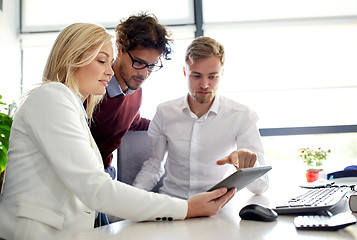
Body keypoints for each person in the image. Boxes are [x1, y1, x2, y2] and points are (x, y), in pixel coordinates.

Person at [0, 24, 235, 240]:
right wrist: (186, 208)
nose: (110, 72)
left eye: (109, 61)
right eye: (102, 61)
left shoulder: (75, 106)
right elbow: (96, 187)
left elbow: (132, 123)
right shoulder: (52, 97)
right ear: (73, 58)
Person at [133, 36, 269, 199]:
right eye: (196, 76)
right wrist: (132, 199)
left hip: (217, 206)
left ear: (222, 73)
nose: (204, 85)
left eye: (212, 76)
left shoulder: (242, 115)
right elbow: (154, 166)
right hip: (173, 204)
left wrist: (247, 166)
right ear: (185, 72)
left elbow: (261, 187)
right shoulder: (164, 112)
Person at [90, 12, 170, 179]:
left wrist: (170, 125)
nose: (144, 73)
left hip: (106, 172)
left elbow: (134, 123)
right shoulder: (93, 88)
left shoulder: (135, 91)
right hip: (83, 174)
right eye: (139, 63)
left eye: (151, 66)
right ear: (119, 48)